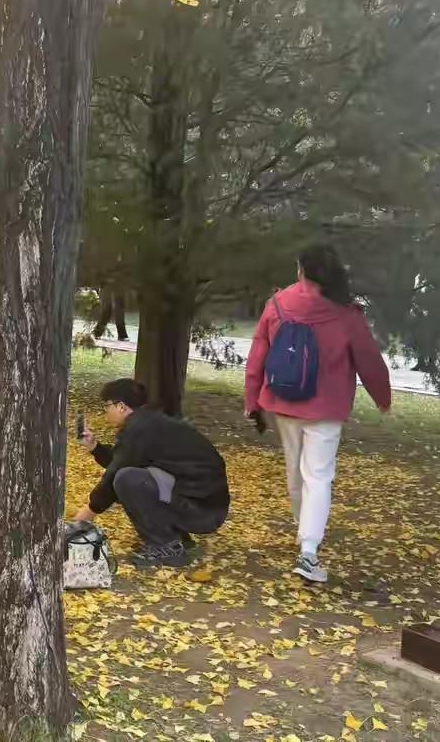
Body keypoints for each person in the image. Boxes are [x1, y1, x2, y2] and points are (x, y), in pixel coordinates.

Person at [245, 244, 391, 583]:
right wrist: (382, 397)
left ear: (301, 271)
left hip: (284, 403)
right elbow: (369, 359)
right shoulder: (346, 313)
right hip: (326, 409)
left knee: (296, 472)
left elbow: (257, 355)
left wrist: (252, 399)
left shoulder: (278, 304)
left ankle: (304, 531)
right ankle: (309, 549)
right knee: (318, 475)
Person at [73, 379, 230, 568]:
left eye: (107, 406)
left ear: (121, 406)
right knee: (131, 477)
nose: (106, 412)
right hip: (203, 506)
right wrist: (95, 448)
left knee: (126, 480)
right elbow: (123, 460)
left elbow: (117, 473)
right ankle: (178, 539)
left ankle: (167, 547)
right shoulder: (149, 422)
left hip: (203, 511)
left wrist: (87, 513)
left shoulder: (141, 428)